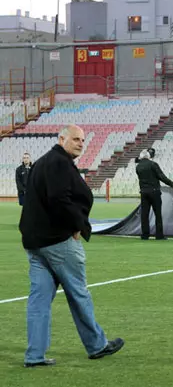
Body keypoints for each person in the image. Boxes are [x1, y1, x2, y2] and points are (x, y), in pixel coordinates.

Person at [19, 125, 124, 368]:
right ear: (61, 139)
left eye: (83, 140)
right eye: (75, 139)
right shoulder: (59, 163)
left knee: (38, 300)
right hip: (58, 241)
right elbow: (59, 199)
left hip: (35, 244)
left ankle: (35, 355)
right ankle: (96, 345)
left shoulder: (43, 162)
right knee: (78, 293)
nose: (80, 143)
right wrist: (78, 225)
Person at [135, 148, 173, 240]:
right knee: (157, 214)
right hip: (154, 191)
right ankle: (159, 235)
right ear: (149, 156)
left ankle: (145, 234)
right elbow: (162, 177)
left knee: (144, 215)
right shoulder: (153, 164)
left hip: (143, 192)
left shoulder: (138, 167)